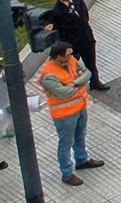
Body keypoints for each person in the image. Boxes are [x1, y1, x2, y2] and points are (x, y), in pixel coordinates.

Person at [39, 40, 103, 186]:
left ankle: (82, 160)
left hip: (80, 107)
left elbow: (88, 73)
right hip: (64, 114)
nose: (72, 56)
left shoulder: (71, 60)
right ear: (58, 57)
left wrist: (74, 83)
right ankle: (67, 173)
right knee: (66, 143)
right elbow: (63, 93)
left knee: (80, 136)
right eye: (68, 54)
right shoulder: (48, 75)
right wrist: (81, 86)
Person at [40, 0, 107, 92]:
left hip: (86, 39)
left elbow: (85, 15)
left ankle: (95, 82)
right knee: (72, 67)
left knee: (91, 64)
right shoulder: (57, 10)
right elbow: (55, 26)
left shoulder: (77, 0)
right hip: (72, 43)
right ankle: (73, 87)